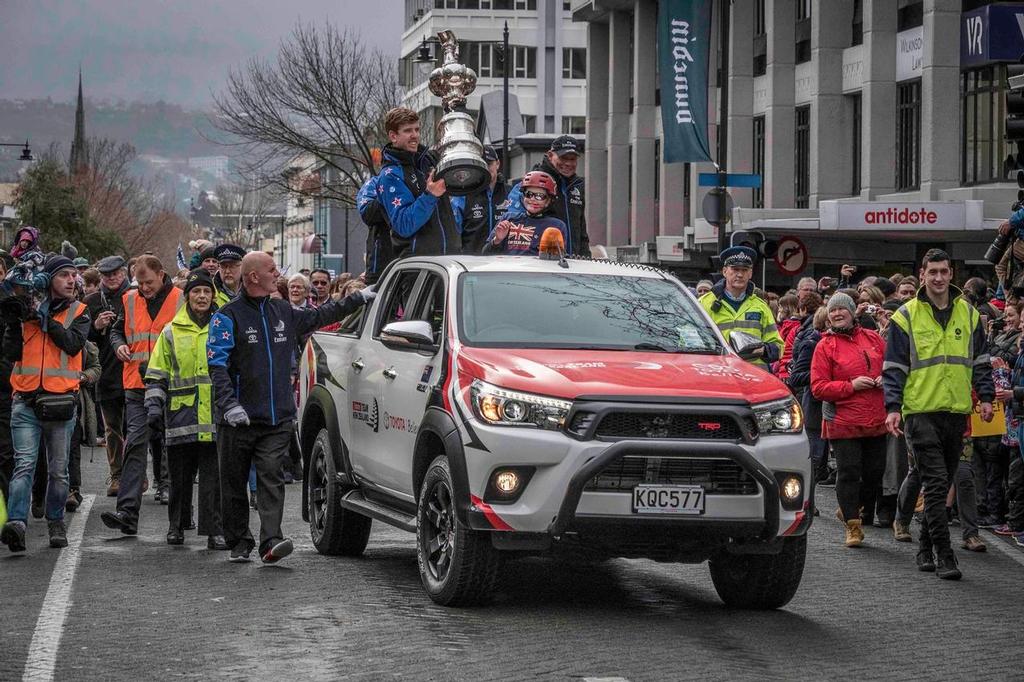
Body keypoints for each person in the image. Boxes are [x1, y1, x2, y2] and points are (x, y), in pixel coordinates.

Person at [206, 252, 376, 563]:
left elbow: (319, 315)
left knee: (272, 477)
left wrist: (360, 299)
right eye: (271, 270)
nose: (278, 275)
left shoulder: (282, 310)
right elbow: (217, 366)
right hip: (237, 421)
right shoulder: (227, 317)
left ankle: (271, 540)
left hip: (277, 418)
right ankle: (238, 541)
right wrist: (229, 404)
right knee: (233, 484)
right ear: (254, 277)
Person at [883, 249, 995, 580]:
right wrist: (892, 407)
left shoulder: (969, 314)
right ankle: (945, 555)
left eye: (944, 272)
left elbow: (981, 361)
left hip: (956, 411)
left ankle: (923, 549)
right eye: (932, 272)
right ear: (922, 275)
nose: (938, 278)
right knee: (934, 484)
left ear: (951, 275)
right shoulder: (906, 316)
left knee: (943, 481)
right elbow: (894, 368)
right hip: (919, 411)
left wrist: (986, 397)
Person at [0, 255, 91, 552]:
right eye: (64, 275)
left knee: (58, 470)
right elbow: (12, 353)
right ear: (49, 279)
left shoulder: (80, 311)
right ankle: (16, 524)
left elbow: (72, 343)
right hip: (25, 401)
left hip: (61, 403)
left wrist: (45, 320)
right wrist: (15, 323)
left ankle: (55, 521)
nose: (71, 280)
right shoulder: (27, 310)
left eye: (73, 276)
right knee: (24, 465)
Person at [100, 256, 183, 536]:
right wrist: (119, 345)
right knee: (135, 444)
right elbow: (117, 331)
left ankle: (178, 511)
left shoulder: (181, 299)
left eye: (148, 282)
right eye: (140, 282)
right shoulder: (130, 299)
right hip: (136, 384)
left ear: (162, 275)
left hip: (173, 385)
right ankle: (127, 512)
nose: (144, 287)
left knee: (175, 445)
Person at [144, 269, 226, 550]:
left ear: (213, 295)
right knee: (179, 477)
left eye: (206, 292)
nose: (202, 296)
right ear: (188, 297)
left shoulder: (223, 326)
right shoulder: (171, 331)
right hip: (180, 416)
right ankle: (176, 526)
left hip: (215, 416)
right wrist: (154, 407)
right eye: (196, 292)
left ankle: (214, 531)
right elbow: (157, 372)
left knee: (212, 479)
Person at [811, 292, 888, 547]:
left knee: (875, 473)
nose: (836, 313)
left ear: (853, 312)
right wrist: (850, 385)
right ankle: (853, 526)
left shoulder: (874, 338)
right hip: (843, 420)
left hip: (876, 417)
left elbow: (892, 368)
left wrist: (885, 379)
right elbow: (818, 388)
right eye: (832, 311)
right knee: (849, 472)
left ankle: (851, 506)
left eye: (842, 309)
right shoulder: (825, 346)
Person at [377, 107, 464, 258]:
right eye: (408, 131)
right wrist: (430, 195)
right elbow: (404, 225)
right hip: (418, 266)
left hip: (450, 258)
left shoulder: (428, 161)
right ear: (393, 136)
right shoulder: (390, 175)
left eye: (417, 129)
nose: (415, 136)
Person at [83, 255, 132, 497]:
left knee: (135, 428)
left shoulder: (135, 297)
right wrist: (97, 326)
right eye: (106, 275)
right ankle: (116, 476)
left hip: (133, 371)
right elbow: (80, 341)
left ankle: (136, 475)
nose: (112, 278)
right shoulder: (91, 301)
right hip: (107, 374)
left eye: (116, 273)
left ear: (124, 273)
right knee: (113, 429)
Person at [502, 135, 590, 257]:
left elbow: (581, 231)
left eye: (573, 159)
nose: (568, 163)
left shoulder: (577, 186)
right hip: (540, 262)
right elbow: (515, 223)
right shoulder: (531, 182)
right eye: (563, 157)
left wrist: (586, 258)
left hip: (573, 263)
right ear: (550, 155)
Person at [699, 246, 784, 370]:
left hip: (752, 378)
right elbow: (689, 340)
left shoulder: (760, 307)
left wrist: (762, 350)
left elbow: (778, 347)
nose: (739, 274)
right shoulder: (704, 303)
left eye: (744, 270)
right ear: (724, 271)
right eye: (735, 269)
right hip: (717, 375)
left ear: (750, 273)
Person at [788, 305, 829, 486]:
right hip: (814, 407)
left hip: (833, 407)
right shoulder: (811, 343)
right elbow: (795, 377)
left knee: (820, 462)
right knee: (813, 458)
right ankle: (807, 502)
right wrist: (823, 375)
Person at [483, 171, 568, 256]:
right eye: (529, 194)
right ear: (523, 196)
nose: (533, 199)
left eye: (540, 196)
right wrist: (497, 240)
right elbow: (485, 254)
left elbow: (557, 260)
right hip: (507, 268)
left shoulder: (556, 226)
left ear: (548, 201)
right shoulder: (508, 218)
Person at [461, 145, 509, 254]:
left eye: (488, 164)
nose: (485, 168)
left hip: (504, 261)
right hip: (472, 263)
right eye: (480, 164)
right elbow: (455, 232)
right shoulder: (464, 194)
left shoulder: (511, 193)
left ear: (498, 164)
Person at [356, 174, 395, 285]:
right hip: (381, 266)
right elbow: (368, 214)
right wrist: (391, 192)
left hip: (416, 257)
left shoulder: (421, 180)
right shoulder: (374, 183)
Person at [773, 294, 801, 381]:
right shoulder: (788, 325)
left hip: (785, 370)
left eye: (781, 307)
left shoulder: (790, 326)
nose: (779, 310)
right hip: (784, 369)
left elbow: (786, 351)